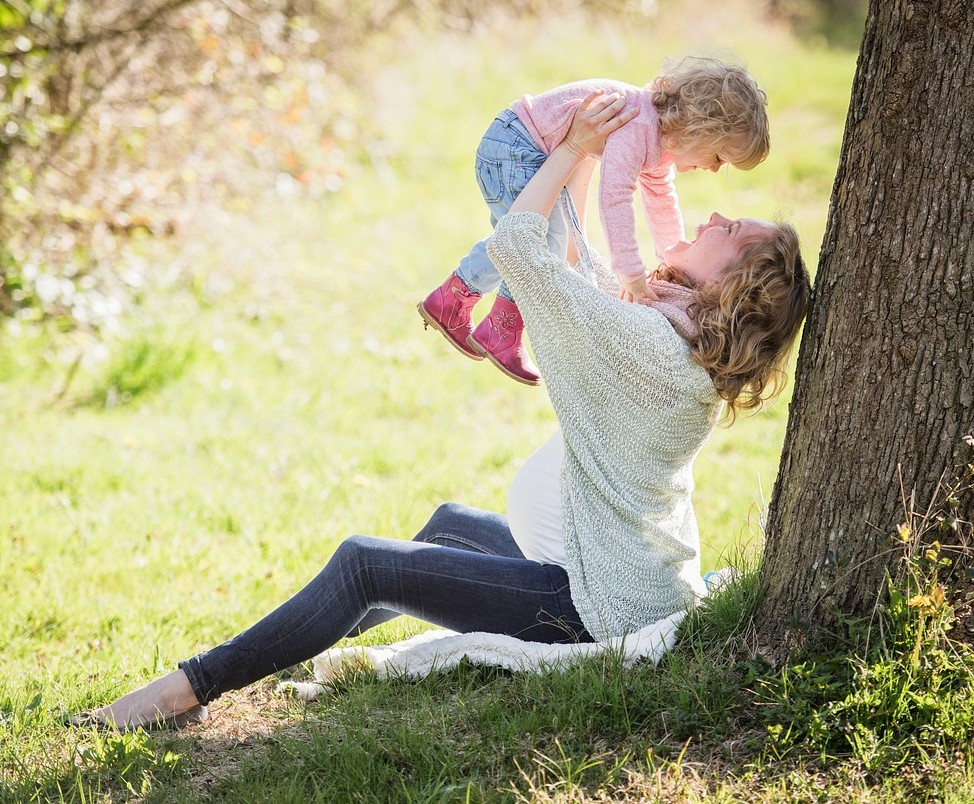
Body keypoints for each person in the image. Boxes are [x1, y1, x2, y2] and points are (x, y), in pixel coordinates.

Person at [69, 92, 810, 732]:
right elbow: (582, 269)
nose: (715, 214)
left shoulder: (648, 346)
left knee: (366, 563)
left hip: (592, 604)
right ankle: (276, 650)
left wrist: (577, 148)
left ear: (735, 286)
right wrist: (588, 158)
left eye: (733, 231)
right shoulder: (678, 343)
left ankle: (184, 690)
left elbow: (521, 246)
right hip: (615, 572)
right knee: (447, 525)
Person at [417, 55, 770, 386]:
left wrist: (670, 256)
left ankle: (453, 300)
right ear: (698, 129)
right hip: (515, 147)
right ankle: (500, 327)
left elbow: (661, 200)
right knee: (535, 241)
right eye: (719, 156)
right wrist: (630, 273)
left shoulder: (660, 141)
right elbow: (614, 198)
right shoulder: (639, 126)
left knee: (532, 238)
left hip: (521, 146)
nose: (712, 168)